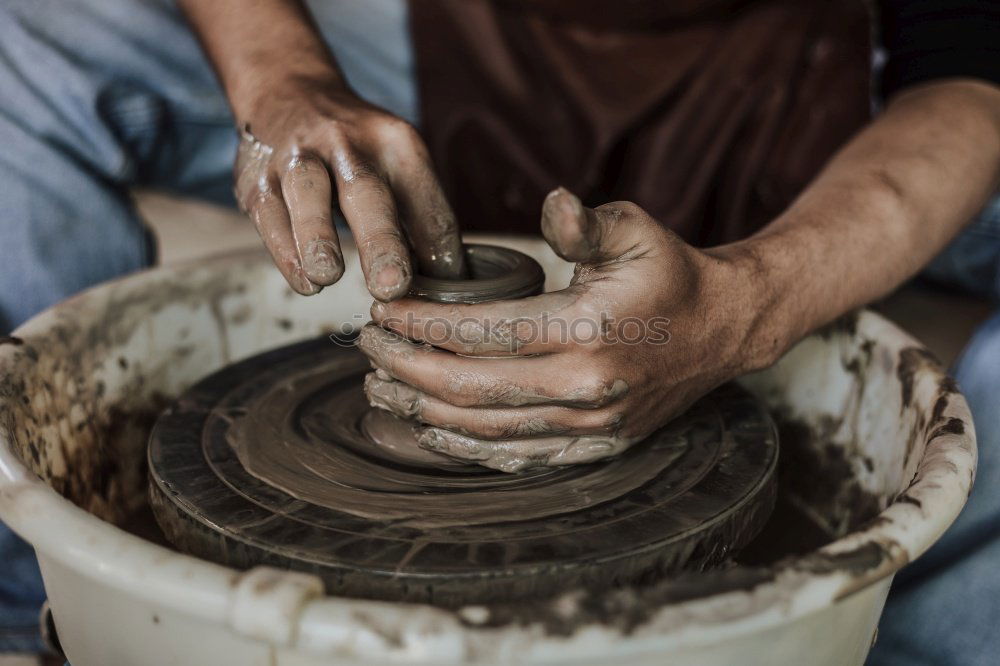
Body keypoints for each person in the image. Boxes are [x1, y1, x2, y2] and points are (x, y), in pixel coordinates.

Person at [0, 1, 997, 663]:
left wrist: (752, 303)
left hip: (835, 81)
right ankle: (41, 600)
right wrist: (281, 79)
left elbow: (969, 64)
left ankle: (893, 639)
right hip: (457, 37)